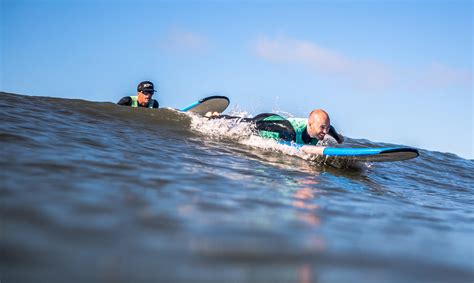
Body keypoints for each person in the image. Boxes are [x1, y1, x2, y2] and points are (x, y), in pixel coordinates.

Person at [207, 109, 343, 155]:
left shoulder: (323, 128)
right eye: (322, 128)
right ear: (310, 124)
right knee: (248, 125)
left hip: (278, 126)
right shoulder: (290, 131)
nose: (325, 132)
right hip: (268, 121)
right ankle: (216, 117)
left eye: (326, 127)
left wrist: (338, 139)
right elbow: (252, 123)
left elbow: (331, 130)